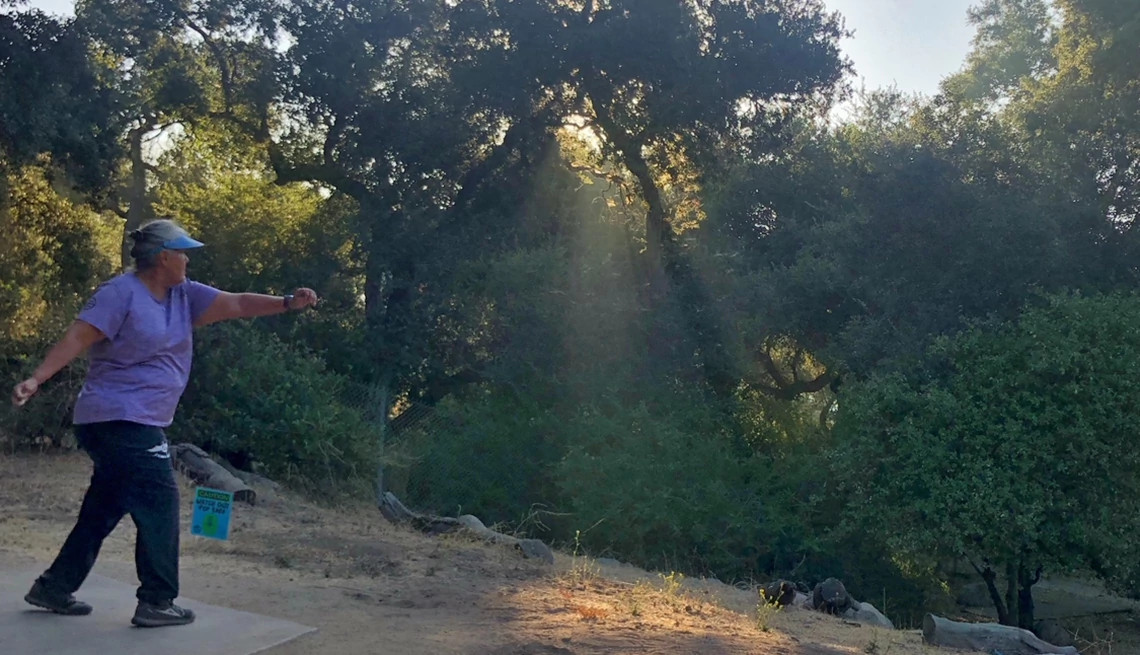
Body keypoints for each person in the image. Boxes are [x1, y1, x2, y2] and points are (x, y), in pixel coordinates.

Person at [10, 219, 319, 628]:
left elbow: (239, 304)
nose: (187, 260)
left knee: (104, 507)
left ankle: (54, 587)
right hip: (117, 418)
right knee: (160, 499)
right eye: (182, 253)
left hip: (134, 420)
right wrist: (37, 378)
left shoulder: (185, 295)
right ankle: (157, 600)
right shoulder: (120, 293)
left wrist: (287, 302)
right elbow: (78, 337)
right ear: (162, 258)